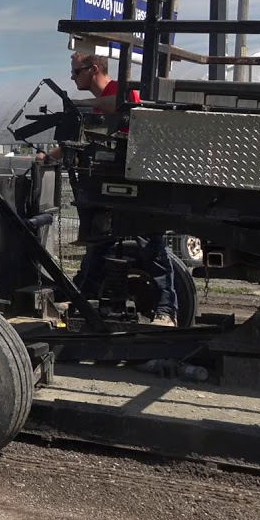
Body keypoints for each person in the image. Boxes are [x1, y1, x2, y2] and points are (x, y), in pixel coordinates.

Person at [48, 52, 175, 326]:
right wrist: (49, 156)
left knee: (150, 245)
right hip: (110, 187)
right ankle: (82, 298)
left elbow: (123, 108)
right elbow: (80, 137)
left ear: (93, 69)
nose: (72, 77)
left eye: (76, 72)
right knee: (98, 243)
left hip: (140, 183)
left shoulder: (122, 91)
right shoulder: (97, 107)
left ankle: (166, 311)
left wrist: (82, 103)